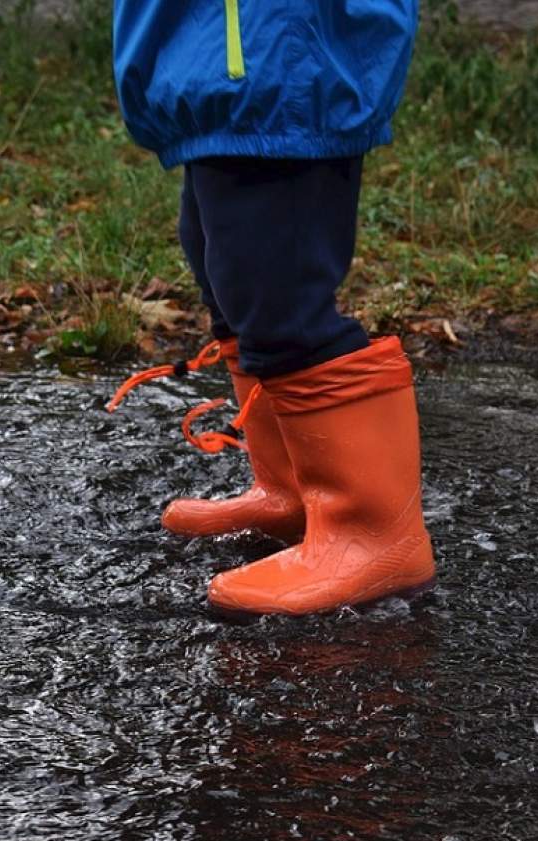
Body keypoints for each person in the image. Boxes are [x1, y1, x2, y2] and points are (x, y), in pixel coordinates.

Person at [109, 1, 436, 618]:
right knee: (225, 269)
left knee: (275, 290)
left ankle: (373, 534)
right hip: (218, 61)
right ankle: (293, 489)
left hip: (276, 60)